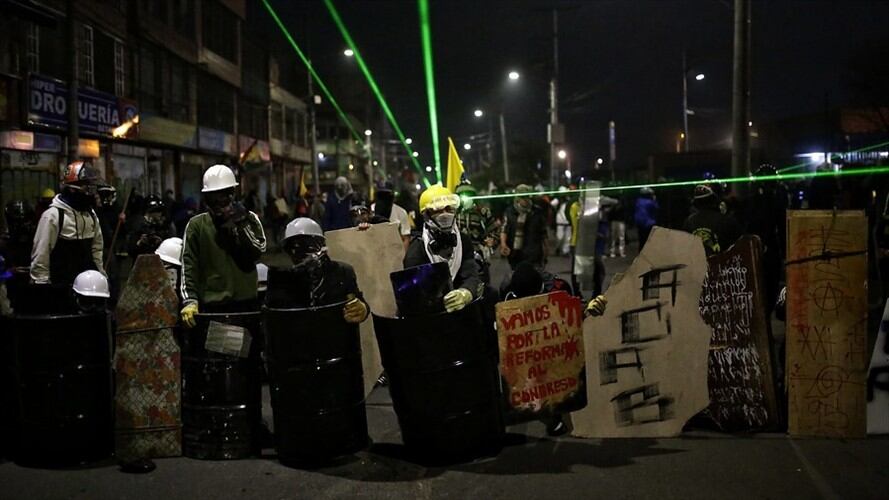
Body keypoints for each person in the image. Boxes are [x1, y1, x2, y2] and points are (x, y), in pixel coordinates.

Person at [180, 164, 267, 328]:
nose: (220, 202)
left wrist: (240, 226)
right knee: (218, 351)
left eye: (225, 196)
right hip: (214, 308)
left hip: (246, 305)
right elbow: (189, 265)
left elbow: (258, 251)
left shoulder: (249, 219)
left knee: (249, 351)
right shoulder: (197, 225)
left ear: (233, 195)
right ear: (207, 199)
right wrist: (190, 300)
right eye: (214, 197)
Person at [265, 218, 369, 325]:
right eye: (293, 247)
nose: (299, 252)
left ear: (320, 245)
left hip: (336, 336)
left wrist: (363, 309)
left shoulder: (341, 272)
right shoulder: (284, 280)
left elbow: (356, 301)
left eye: (307, 245)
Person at [404, 184, 482, 313]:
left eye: (448, 209)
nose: (445, 214)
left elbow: (471, 275)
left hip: (464, 312)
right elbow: (415, 296)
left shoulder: (463, 240)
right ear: (426, 215)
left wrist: (466, 293)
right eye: (438, 210)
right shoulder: (417, 250)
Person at [30, 161, 105, 286]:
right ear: (72, 189)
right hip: (60, 286)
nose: (92, 194)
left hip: (86, 286)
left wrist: (101, 276)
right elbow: (41, 254)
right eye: (88, 188)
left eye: (93, 189)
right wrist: (41, 284)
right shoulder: (53, 216)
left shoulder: (91, 215)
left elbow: (96, 249)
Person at [683, 184, 743, 256]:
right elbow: (740, 246)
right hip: (721, 265)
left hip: (697, 264)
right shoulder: (727, 220)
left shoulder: (689, 222)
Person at [500, 184, 548, 271]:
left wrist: (545, 251)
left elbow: (543, 233)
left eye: (527, 196)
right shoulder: (510, 212)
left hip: (534, 253)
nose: (525, 199)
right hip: (516, 254)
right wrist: (503, 244)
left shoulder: (537, 212)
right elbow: (504, 229)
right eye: (522, 197)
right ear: (517, 197)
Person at [373, 181, 412, 249]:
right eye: (381, 195)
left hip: (394, 250)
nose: (384, 198)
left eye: (387, 195)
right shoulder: (371, 210)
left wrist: (402, 257)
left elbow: (405, 238)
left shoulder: (401, 212)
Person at [634, 186, 658, 251]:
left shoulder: (638, 201)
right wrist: (654, 199)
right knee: (648, 240)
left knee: (641, 240)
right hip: (648, 223)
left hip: (640, 223)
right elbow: (656, 208)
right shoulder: (650, 202)